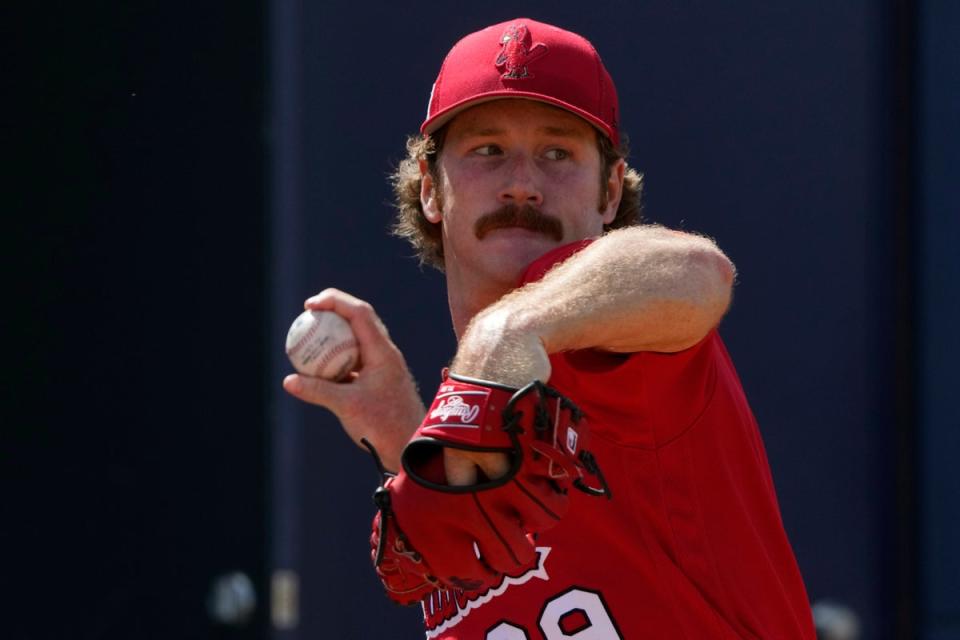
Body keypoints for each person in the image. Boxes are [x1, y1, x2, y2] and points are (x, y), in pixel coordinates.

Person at [284, 17, 816, 639]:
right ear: (430, 189)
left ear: (610, 192)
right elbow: (505, 544)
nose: (522, 183)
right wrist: (401, 427)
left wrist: (503, 331)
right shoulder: (478, 400)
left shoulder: (612, 338)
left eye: (557, 153)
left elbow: (696, 270)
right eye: (488, 150)